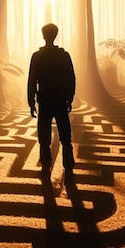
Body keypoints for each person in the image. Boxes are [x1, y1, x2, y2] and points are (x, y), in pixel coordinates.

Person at [27, 23, 76, 172]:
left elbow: (32, 80)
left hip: (45, 100)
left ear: (43, 35)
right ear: (56, 35)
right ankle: (68, 163)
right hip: (60, 100)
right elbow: (71, 78)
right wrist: (70, 97)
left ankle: (46, 163)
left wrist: (31, 101)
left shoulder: (37, 56)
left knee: (44, 135)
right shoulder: (64, 55)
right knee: (65, 134)